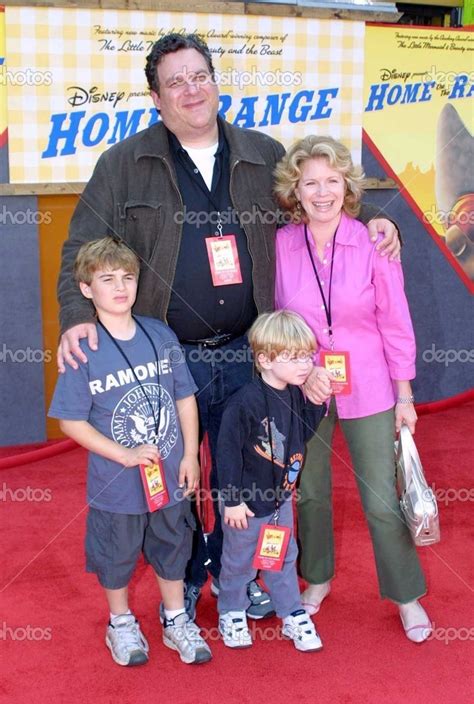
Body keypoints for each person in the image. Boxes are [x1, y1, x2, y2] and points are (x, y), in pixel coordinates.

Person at [56, 32, 401, 621]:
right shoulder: (122, 164)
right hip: (169, 357)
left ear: (215, 82)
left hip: (252, 353)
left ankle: (251, 574)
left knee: (258, 466)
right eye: (176, 82)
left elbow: (317, 193)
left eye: (200, 76)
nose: (191, 90)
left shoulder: (262, 152)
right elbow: (78, 250)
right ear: (156, 99)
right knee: (180, 474)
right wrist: (74, 318)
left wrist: (372, 219)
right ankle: (189, 575)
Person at [273, 135, 432, 644]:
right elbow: (277, 319)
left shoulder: (375, 241)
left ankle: (406, 595)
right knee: (310, 492)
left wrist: (405, 397)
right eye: (310, 182)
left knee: (383, 499)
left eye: (332, 181)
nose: (322, 192)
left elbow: (397, 324)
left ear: (348, 186)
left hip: (370, 386)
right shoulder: (280, 244)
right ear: (295, 190)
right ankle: (316, 579)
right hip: (305, 388)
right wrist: (299, 370)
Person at [48, 237, 212, 666]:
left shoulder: (160, 334)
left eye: (127, 277)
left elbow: (184, 397)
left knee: (174, 543)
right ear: (86, 289)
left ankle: (176, 618)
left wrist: (191, 455)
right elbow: (70, 421)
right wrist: (121, 455)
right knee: (116, 553)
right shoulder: (83, 349)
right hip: (117, 482)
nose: (120, 287)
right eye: (107, 279)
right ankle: (120, 622)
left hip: (170, 474)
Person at [217, 310, 326, 651]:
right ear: (264, 359)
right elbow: (227, 454)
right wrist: (232, 499)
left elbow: (301, 435)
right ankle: (231, 611)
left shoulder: (294, 393)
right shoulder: (244, 402)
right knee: (238, 561)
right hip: (246, 504)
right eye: (293, 358)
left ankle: (291, 612)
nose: (304, 365)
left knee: (283, 557)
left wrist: (318, 404)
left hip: (280, 501)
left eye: (307, 356)